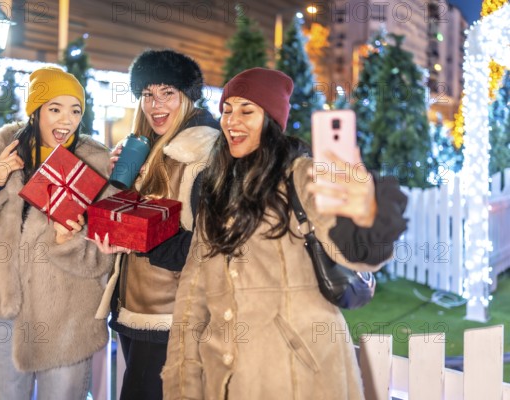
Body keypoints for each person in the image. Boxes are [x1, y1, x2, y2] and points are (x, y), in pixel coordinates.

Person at [161, 67, 408, 399]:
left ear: (271, 120)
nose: (232, 121)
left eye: (247, 110)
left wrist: (366, 214)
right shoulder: (217, 189)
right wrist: (182, 383)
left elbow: (355, 252)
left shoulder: (301, 175)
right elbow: (192, 298)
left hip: (301, 377)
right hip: (226, 383)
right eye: (227, 110)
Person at [0, 67, 115, 400]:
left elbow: (104, 258)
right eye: (55, 108)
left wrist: (69, 243)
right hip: (6, 313)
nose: (66, 120)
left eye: (75, 110)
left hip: (67, 321)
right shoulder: (0, 155)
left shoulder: (94, 167)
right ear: (35, 111)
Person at [92, 49, 220, 400]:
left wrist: (135, 239)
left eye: (167, 93)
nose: (155, 103)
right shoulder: (150, 149)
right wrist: (120, 181)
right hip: (135, 306)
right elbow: (129, 211)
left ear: (188, 96)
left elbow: (203, 248)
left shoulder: (203, 154)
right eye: (147, 94)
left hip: (171, 316)